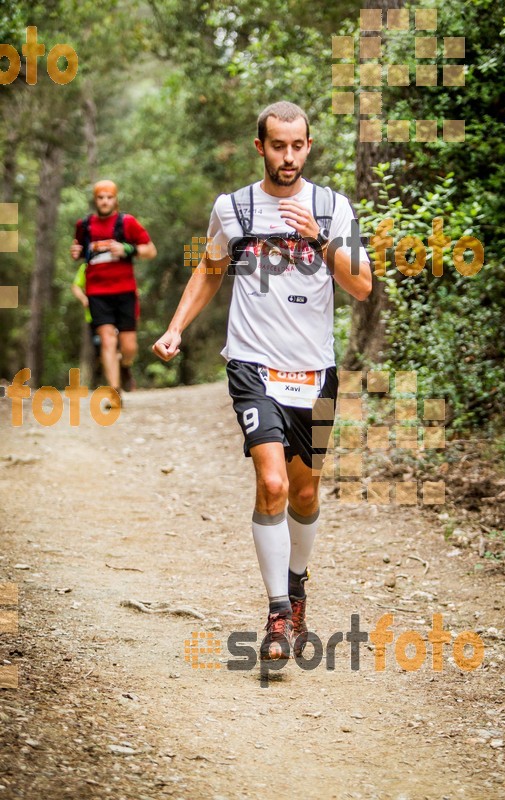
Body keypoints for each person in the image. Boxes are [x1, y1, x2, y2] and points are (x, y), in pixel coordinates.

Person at [153, 101, 372, 661]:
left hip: (314, 370)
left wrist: (321, 239)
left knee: (304, 491)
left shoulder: (332, 206)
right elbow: (209, 267)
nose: (289, 157)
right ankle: (277, 613)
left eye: (298, 146)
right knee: (272, 484)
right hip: (253, 365)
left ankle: (297, 586)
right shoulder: (233, 208)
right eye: (278, 146)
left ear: (309, 145)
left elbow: (363, 287)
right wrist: (176, 327)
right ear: (261, 147)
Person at [70, 180, 156, 401]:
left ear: (115, 199)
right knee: (107, 340)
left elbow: (150, 250)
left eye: (109, 197)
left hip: (125, 291)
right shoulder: (85, 225)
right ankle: (114, 391)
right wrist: (77, 251)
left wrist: (128, 248)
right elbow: (80, 249)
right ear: (95, 200)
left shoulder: (127, 223)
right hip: (97, 292)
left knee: (128, 347)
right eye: (100, 197)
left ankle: (125, 366)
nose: (105, 201)